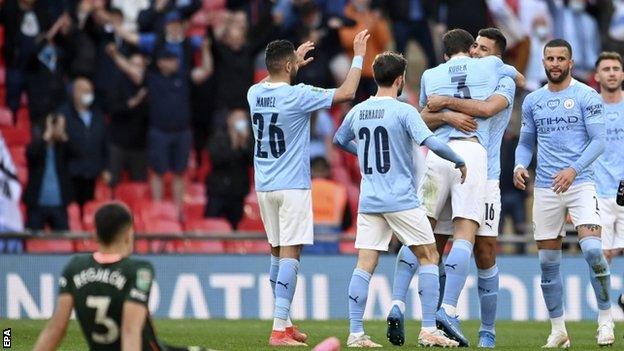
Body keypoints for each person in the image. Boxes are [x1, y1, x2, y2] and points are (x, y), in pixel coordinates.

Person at [389, 28, 521, 347]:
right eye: (474, 45)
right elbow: (424, 117)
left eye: (484, 48)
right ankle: (436, 317)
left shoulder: (496, 76)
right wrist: (449, 113)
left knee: (484, 250)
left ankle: (485, 332)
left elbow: (490, 109)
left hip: (483, 173)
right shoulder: (488, 70)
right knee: (436, 238)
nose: (477, 51)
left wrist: (446, 105)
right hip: (469, 158)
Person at [334, 51, 465, 348]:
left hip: (370, 200)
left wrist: (364, 156)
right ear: (399, 79)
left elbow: (339, 140)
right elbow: (431, 142)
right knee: (429, 256)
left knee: (365, 263)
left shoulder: (358, 110)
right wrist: (458, 160)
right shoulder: (403, 110)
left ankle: (355, 334)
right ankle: (429, 328)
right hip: (401, 200)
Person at [246, 30, 369, 346]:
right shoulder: (297, 95)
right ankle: (277, 330)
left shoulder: (253, 93)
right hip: (292, 187)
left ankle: (284, 323)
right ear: (288, 66)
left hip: (264, 186)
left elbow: (271, 81)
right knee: (291, 253)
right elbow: (347, 91)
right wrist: (357, 54)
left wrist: (291, 64)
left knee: (276, 252)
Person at [514, 39, 613, 347]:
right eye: (550, 58)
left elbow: (598, 141)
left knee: (594, 251)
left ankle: (606, 319)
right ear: (543, 62)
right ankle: (558, 331)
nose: (554, 63)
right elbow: (526, 141)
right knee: (546, 262)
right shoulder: (533, 100)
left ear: (571, 63)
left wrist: (572, 169)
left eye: (560, 59)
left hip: (581, 183)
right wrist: (519, 164)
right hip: (545, 188)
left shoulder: (587, 95)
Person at [32, 203, 207, 351]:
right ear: (128, 234)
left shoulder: (75, 267)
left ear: (96, 234)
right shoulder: (139, 271)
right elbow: (130, 331)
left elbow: (56, 328)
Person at [593, 51, 624, 264]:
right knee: (602, 256)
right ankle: (603, 299)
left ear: (622, 74)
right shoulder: (589, 108)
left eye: (616, 69)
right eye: (606, 69)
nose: (611, 74)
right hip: (599, 191)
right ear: (596, 76)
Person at [60, 77, 109, 211]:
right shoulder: (63, 114)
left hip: (92, 172)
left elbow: (104, 142)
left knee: (89, 209)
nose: (88, 94)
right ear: (74, 92)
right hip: (71, 172)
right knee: (72, 209)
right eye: (85, 91)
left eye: (90, 91)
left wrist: (105, 167)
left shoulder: (98, 115)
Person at [24, 115, 80, 231]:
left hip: (59, 204)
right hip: (37, 203)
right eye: (56, 126)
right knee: (32, 241)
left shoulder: (63, 147)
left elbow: (77, 153)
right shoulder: (38, 145)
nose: (57, 129)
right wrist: (47, 134)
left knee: (63, 240)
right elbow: (31, 154)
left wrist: (63, 134)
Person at [205, 109, 253, 229]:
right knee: (211, 224)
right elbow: (215, 159)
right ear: (229, 120)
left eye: (243, 119)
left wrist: (244, 144)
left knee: (234, 226)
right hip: (218, 191)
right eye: (237, 118)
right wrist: (235, 147)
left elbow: (253, 161)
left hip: (237, 192)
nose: (240, 121)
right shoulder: (218, 137)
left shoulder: (248, 141)